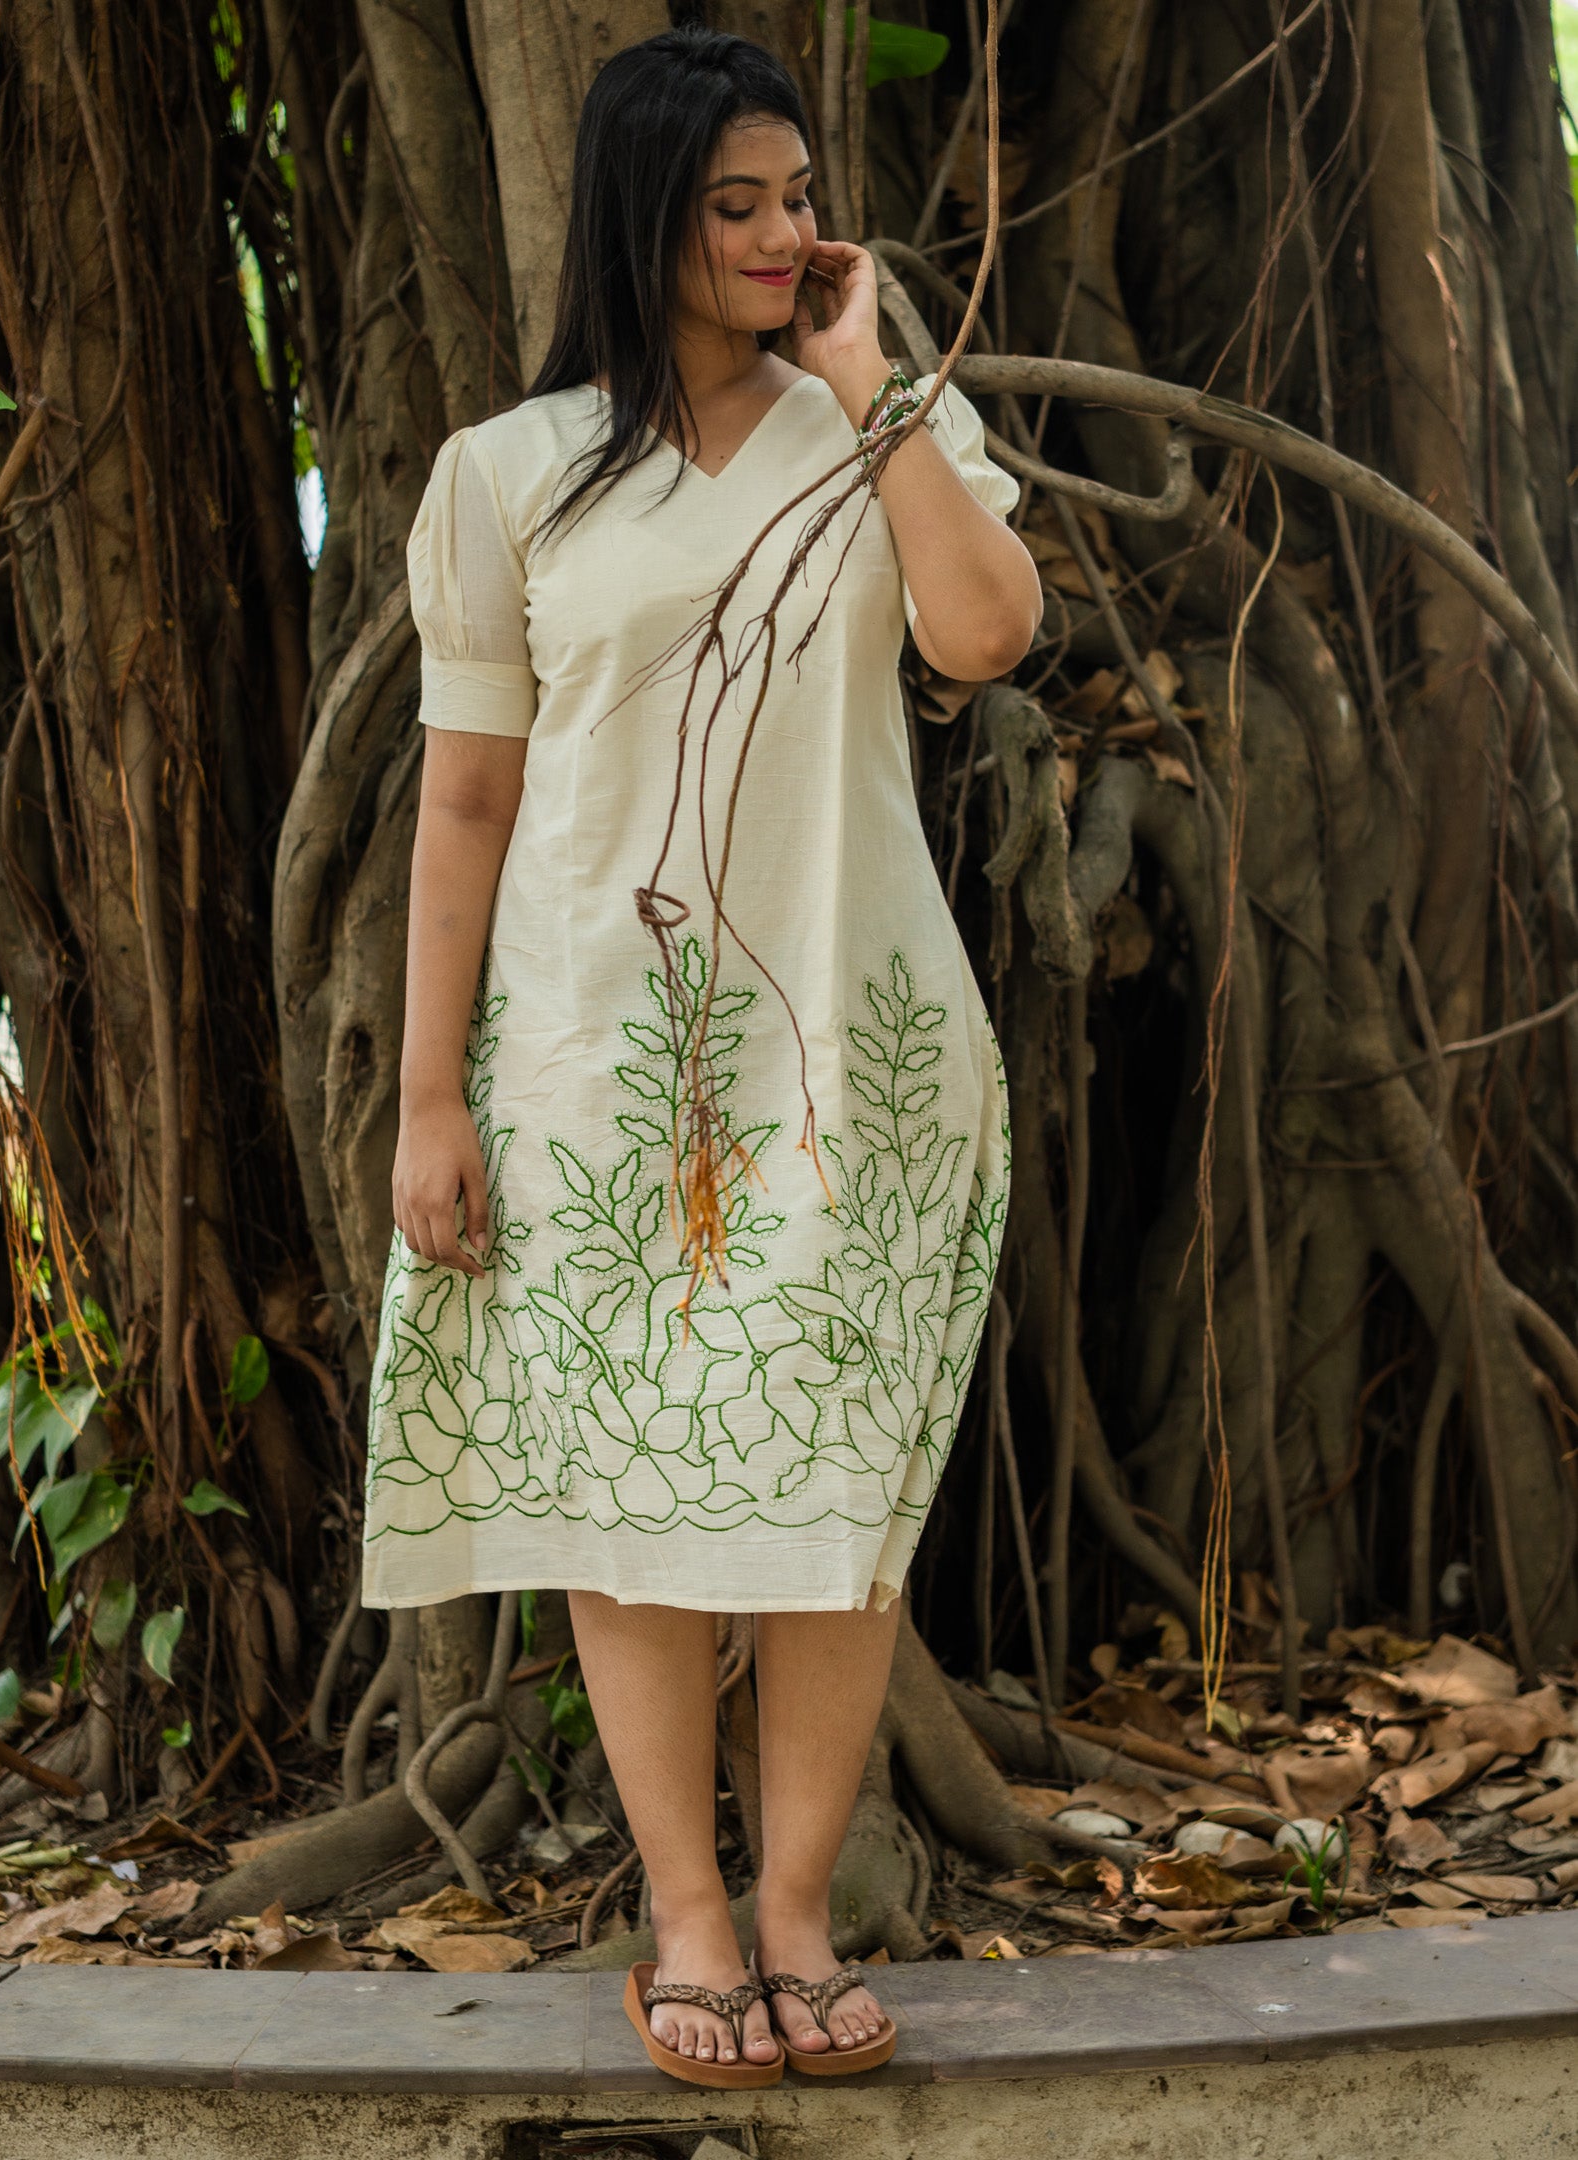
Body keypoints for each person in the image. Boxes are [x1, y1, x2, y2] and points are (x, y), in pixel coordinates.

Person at [362, 24, 1041, 2089]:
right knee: (625, 1500)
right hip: (591, 1055)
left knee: (835, 1501)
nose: (780, 232)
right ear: (645, 217)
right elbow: (466, 803)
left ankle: (800, 1908)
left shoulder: (879, 421)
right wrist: (429, 1094)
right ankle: (682, 1917)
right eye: (734, 203)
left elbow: (989, 630)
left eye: (798, 196)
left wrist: (877, 386)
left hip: (849, 1048)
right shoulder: (511, 471)